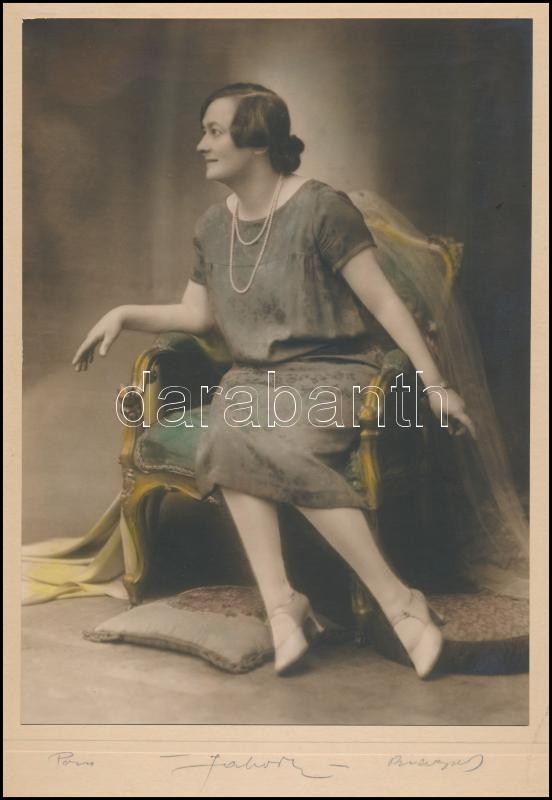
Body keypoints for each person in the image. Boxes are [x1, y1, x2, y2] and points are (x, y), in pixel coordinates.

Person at [73, 82, 477, 679]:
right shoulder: (213, 225)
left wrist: (436, 385)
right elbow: (198, 316)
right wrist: (123, 314)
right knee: (228, 434)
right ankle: (282, 604)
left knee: (271, 442)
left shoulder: (321, 208)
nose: (200, 144)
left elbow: (386, 303)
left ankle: (399, 602)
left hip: (335, 374)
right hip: (252, 380)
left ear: (257, 141)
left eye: (214, 131)